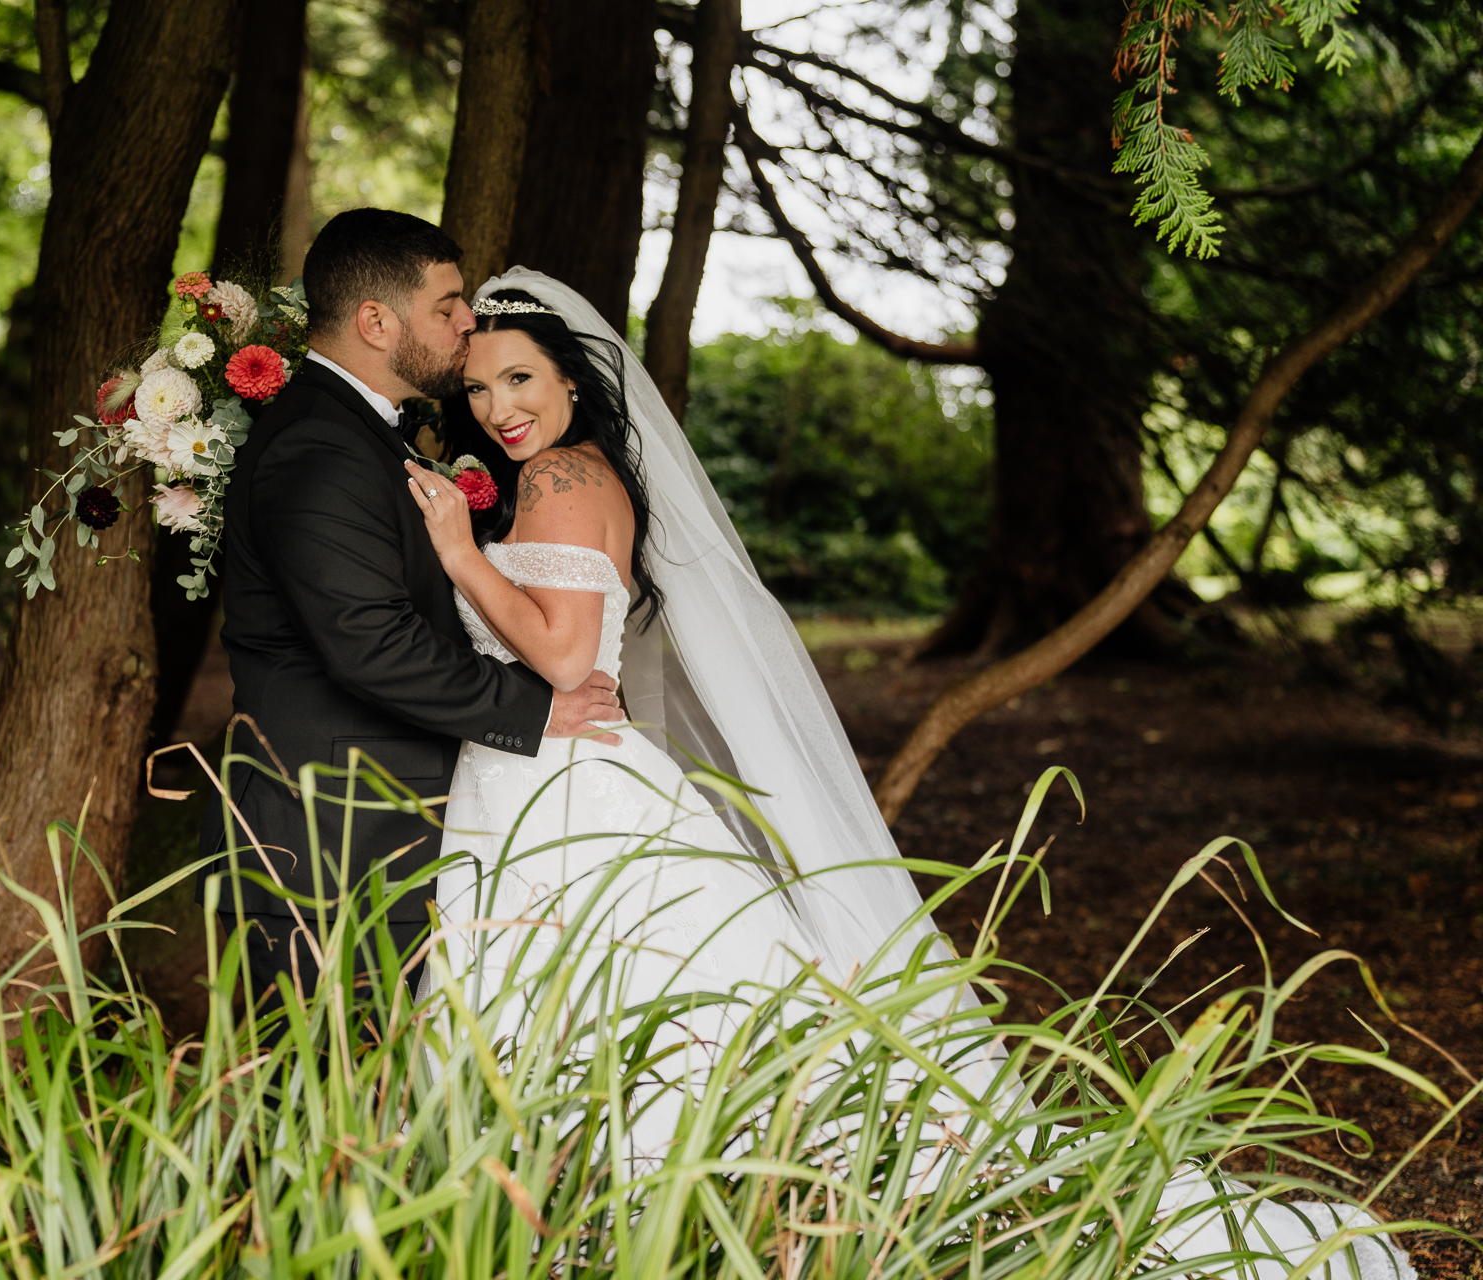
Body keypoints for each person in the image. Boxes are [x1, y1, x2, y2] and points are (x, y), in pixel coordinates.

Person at [402, 268, 1415, 1280]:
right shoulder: (569, 476)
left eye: (522, 378)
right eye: (480, 390)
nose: (502, 409)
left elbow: (572, 658)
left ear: (574, 377)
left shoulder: (562, 480)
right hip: (542, 775)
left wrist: (458, 550)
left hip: (570, 785)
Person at [200, 213, 622, 1011]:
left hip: (375, 830)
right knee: (322, 1102)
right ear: (376, 321)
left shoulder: (363, 435)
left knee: (383, 1100)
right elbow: (370, 644)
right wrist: (540, 710)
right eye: (448, 305)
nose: (468, 322)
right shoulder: (318, 446)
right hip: (328, 843)